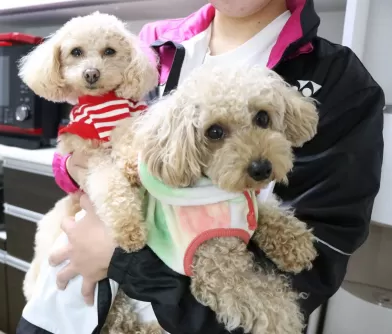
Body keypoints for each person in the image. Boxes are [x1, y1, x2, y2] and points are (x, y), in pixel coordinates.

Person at [49, 0, 385, 333]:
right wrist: (70, 167)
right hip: (70, 306)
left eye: (262, 119)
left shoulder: (338, 78)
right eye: (215, 132)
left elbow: (317, 260)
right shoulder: (147, 47)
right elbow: (89, 135)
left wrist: (123, 260)